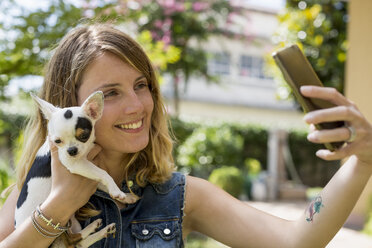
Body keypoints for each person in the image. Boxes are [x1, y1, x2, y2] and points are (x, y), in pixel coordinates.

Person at [0, 23, 371, 248]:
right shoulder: (30, 191)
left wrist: (363, 160)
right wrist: (59, 207)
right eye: (110, 93)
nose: (137, 106)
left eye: (141, 85)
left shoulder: (178, 196)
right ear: (68, 108)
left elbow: (297, 241)